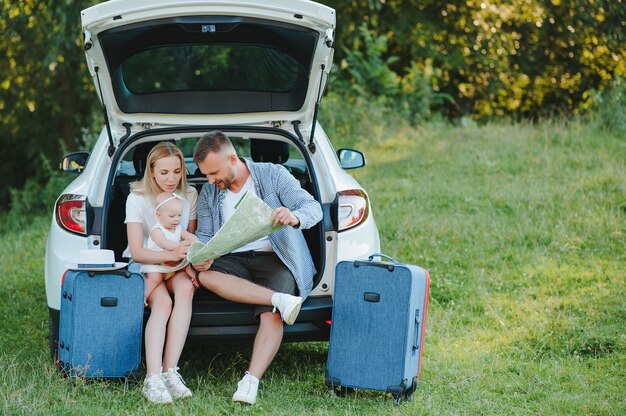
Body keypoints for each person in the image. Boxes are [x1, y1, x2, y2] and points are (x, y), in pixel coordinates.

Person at [191, 131, 322, 405]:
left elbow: (312, 207)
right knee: (207, 276)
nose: (211, 180)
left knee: (271, 315)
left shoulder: (273, 174)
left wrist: (294, 216)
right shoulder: (208, 191)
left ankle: (251, 380)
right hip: (231, 259)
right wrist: (200, 254)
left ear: (233, 158)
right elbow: (204, 235)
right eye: (206, 175)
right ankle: (280, 299)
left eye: (214, 172)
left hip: (275, 255)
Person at [124, 142, 198, 404]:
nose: (171, 179)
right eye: (164, 172)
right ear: (152, 171)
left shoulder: (188, 194)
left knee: (186, 289)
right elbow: (136, 251)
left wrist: (186, 259)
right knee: (163, 304)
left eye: (177, 172)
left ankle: (171, 372)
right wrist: (169, 256)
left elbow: (186, 238)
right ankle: (152, 378)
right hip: (149, 263)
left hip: (175, 263)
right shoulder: (136, 198)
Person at [141, 192, 198, 306]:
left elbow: (187, 235)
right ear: (158, 215)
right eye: (172, 216)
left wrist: (194, 240)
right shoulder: (157, 231)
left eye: (179, 215)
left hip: (175, 264)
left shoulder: (177, 228)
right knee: (155, 279)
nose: (177, 219)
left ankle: (195, 279)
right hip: (157, 265)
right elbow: (164, 244)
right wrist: (181, 246)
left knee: (187, 266)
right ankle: (143, 296)